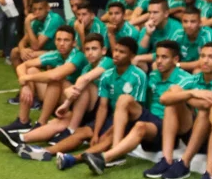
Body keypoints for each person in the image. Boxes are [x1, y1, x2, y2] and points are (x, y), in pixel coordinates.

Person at [86, 42, 190, 175]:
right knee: (124, 98)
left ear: (175, 60)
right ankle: (116, 151)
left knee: (141, 125)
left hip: (169, 124)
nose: (159, 61)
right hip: (152, 117)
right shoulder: (153, 75)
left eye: (164, 57)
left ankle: (106, 157)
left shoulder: (186, 79)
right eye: (157, 57)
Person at [8, 33, 113, 160]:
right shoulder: (86, 67)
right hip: (87, 108)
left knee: (85, 90)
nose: (90, 53)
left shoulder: (108, 61)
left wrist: (67, 102)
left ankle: (50, 148)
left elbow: (86, 78)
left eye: (94, 49)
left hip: (104, 110)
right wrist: (67, 104)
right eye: (87, 49)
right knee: (60, 121)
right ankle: (21, 138)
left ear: (103, 50)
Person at [148, 42, 212, 179]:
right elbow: (164, 98)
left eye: (211, 57)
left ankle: (185, 162)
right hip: (193, 132)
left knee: (202, 111)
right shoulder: (193, 79)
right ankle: (167, 159)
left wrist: (185, 96)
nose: (205, 60)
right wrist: (192, 92)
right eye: (202, 56)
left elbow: (208, 104)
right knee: (171, 103)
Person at [53, 37, 146, 171]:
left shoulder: (139, 75)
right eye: (115, 50)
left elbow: (137, 108)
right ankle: (46, 152)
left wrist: (111, 129)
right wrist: (96, 133)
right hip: (112, 116)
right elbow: (103, 106)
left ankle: (73, 159)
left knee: (107, 138)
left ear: (131, 56)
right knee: (83, 131)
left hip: (131, 118)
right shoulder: (107, 75)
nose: (116, 54)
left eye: (122, 52)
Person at [0, 24, 78, 142]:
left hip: (74, 101)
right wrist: (25, 84)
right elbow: (22, 66)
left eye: (66, 40)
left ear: (74, 43)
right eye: (59, 40)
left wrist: (27, 78)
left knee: (55, 79)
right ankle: (23, 121)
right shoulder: (55, 54)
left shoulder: (77, 55)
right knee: (31, 70)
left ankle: (41, 123)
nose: (62, 43)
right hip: (58, 97)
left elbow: (56, 75)